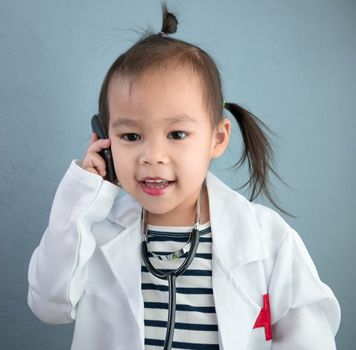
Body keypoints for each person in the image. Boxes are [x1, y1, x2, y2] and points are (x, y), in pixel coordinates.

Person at [27, 4, 340, 349]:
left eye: (176, 134)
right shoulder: (94, 232)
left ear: (217, 138)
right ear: (104, 140)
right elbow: (49, 306)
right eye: (131, 137)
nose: (152, 157)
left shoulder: (269, 241)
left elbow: (310, 338)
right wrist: (82, 197)